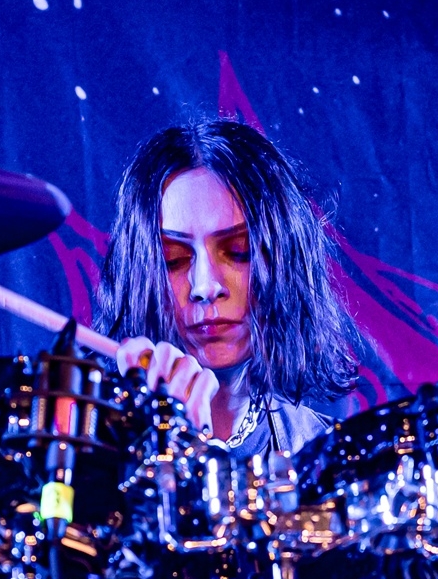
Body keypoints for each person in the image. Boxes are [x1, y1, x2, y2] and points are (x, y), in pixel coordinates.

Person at [95, 119, 360, 457]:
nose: (206, 286)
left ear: (284, 262)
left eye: (239, 252)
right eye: (173, 259)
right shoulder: (86, 458)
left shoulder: (324, 457)